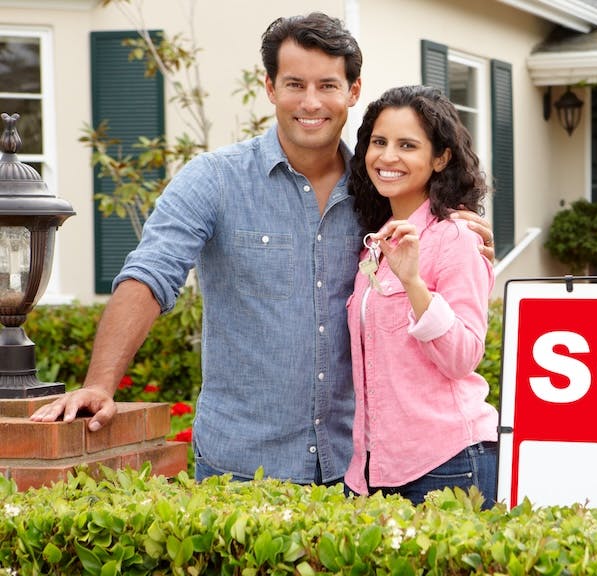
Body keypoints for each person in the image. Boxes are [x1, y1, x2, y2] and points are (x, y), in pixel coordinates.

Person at [29, 13, 494, 486]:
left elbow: (430, 255)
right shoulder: (214, 180)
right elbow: (150, 274)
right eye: (295, 83)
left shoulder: (378, 194)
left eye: (328, 85)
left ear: (353, 92)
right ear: (269, 87)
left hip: (354, 468)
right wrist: (100, 384)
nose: (311, 102)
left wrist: (451, 228)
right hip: (242, 468)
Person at [344, 85, 498, 507]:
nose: (387, 157)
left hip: (447, 463)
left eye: (407, 145)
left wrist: (414, 284)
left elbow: (463, 356)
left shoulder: (456, 237)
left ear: (440, 158)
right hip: (373, 470)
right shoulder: (373, 245)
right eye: (379, 142)